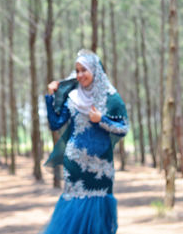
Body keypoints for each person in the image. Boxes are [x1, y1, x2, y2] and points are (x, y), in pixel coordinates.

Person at [42, 49, 128, 234]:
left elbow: (123, 128)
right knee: (74, 207)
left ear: (95, 70)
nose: (80, 75)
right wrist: (51, 97)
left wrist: (102, 120)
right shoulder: (73, 98)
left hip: (102, 167)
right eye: (77, 70)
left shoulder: (111, 98)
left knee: (100, 211)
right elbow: (56, 124)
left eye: (84, 70)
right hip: (75, 165)